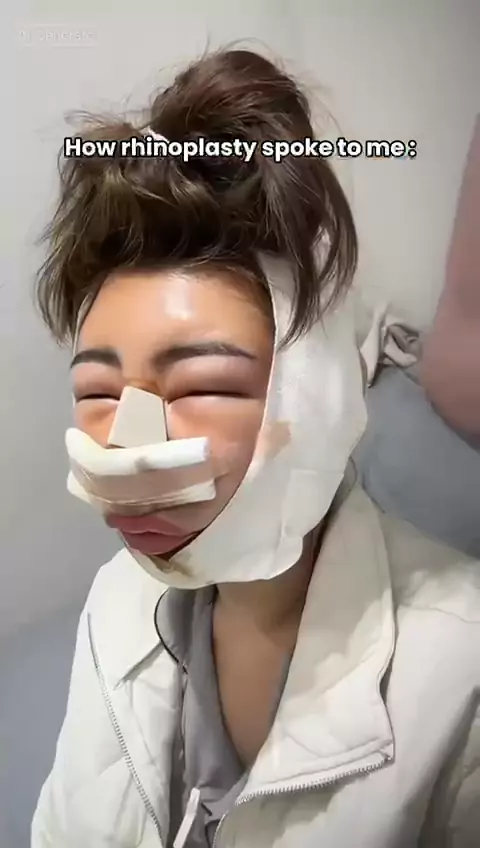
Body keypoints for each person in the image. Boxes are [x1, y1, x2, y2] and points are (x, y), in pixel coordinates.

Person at [31, 49, 480, 848]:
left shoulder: (463, 678)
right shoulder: (114, 603)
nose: (124, 449)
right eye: (98, 394)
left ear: (317, 398)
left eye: (200, 386)